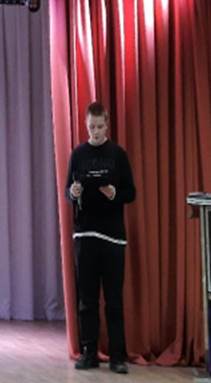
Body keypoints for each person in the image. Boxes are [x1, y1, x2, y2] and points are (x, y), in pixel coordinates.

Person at [66, 102, 135, 374]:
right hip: (85, 234)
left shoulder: (118, 154)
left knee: (114, 301)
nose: (95, 132)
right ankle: (89, 352)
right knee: (87, 300)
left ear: (107, 125)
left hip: (113, 237)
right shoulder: (78, 154)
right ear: (86, 125)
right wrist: (73, 193)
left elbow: (131, 192)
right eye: (91, 127)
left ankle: (117, 356)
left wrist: (114, 193)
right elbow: (67, 191)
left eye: (99, 127)